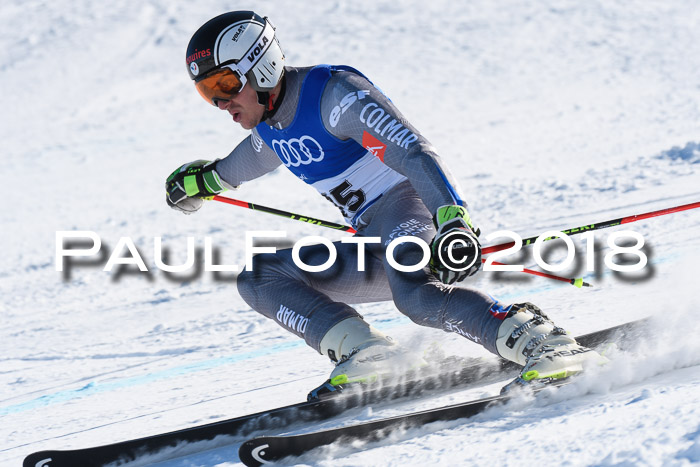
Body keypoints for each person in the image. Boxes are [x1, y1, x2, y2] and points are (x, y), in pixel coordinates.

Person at [166, 11, 605, 389]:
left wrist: (452, 220)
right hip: (373, 238)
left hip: (412, 210)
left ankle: (546, 345)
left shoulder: (333, 94)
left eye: (225, 83)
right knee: (259, 278)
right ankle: (372, 356)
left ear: (261, 66)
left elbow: (414, 152)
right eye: (209, 92)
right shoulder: (268, 131)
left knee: (416, 297)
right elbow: (234, 168)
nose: (221, 102)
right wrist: (200, 183)